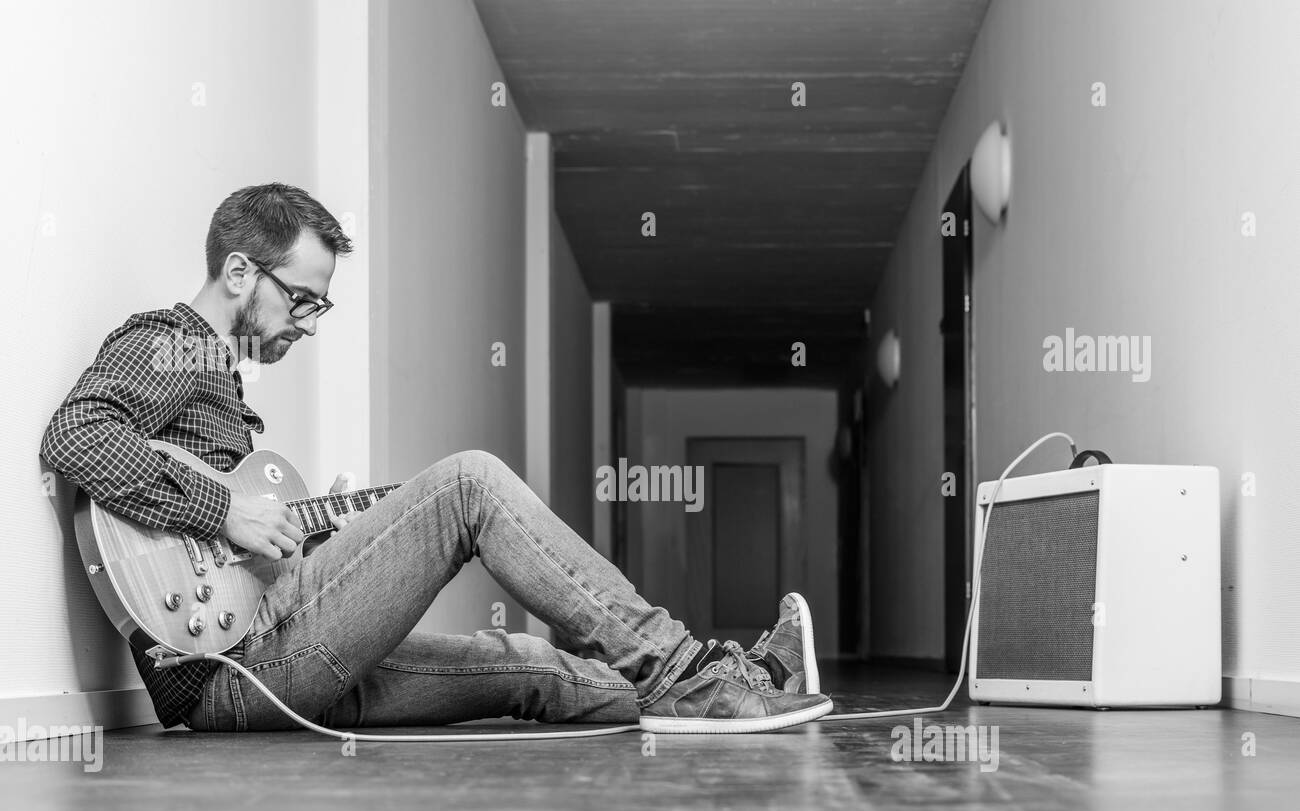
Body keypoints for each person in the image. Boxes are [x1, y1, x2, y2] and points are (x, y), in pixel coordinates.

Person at [40, 183, 833, 736]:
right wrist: (227, 509)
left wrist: (314, 535)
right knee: (471, 482)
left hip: (267, 661)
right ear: (240, 271)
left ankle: (748, 684)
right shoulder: (171, 344)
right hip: (235, 672)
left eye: (322, 306)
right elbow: (75, 435)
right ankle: (697, 679)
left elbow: (237, 563)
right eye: (303, 299)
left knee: (530, 667)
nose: (310, 323)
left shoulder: (222, 385)